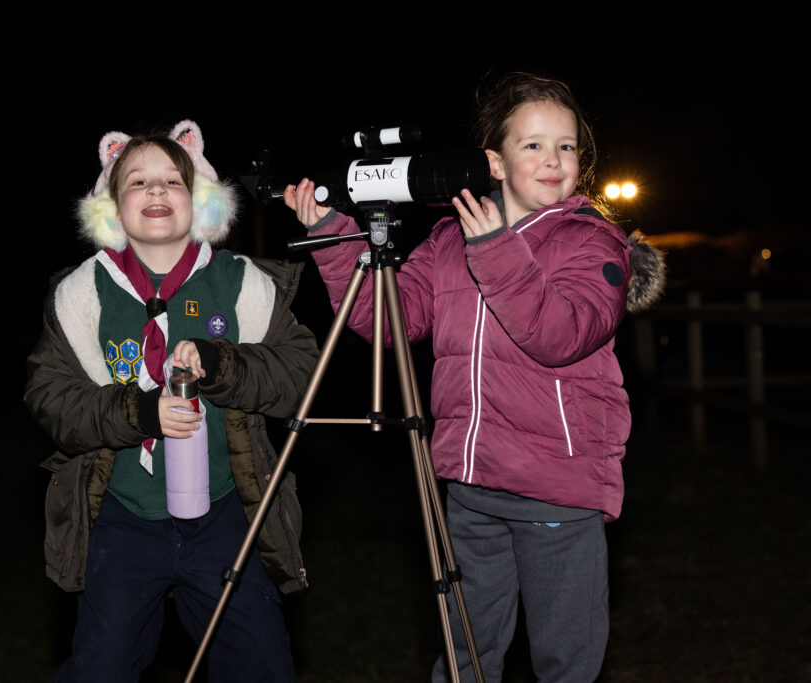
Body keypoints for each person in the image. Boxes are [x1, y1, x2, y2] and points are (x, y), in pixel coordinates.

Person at [285, 73, 665, 682]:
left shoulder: (593, 243)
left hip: (556, 488)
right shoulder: (447, 240)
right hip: (470, 485)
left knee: (564, 661)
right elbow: (390, 318)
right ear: (494, 161)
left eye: (566, 146)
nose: (553, 159)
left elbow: (560, 335)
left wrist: (493, 248)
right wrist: (334, 237)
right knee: (467, 653)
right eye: (533, 145)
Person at [25, 120, 316, 682]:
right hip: (121, 517)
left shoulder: (242, 285)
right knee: (103, 665)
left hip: (226, 513)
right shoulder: (80, 294)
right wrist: (137, 411)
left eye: (173, 181)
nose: (156, 189)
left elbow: (300, 372)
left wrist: (223, 363)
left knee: (259, 661)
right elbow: (51, 396)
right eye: (137, 181)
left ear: (199, 201)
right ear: (112, 208)